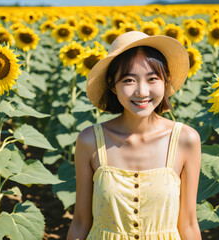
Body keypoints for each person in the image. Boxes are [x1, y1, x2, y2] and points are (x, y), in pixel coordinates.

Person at [66, 31, 201, 240]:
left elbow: (189, 224)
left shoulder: (185, 140)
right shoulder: (90, 141)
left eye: (152, 79)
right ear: (112, 85)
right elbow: (81, 222)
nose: (141, 91)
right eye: (129, 80)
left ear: (166, 82)